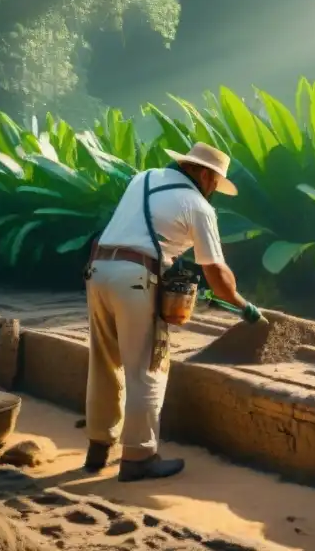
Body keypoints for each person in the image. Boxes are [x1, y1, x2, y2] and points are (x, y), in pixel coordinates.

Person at [83, 142, 262, 482]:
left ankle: (98, 447)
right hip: (136, 279)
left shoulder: (145, 178)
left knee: (104, 361)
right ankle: (139, 457)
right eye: (215, 183)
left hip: (98, 270)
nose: (214, 191)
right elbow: (216, 272)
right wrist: (243, 305)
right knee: (148, 368)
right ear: (205, 175)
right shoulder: (198, 206)